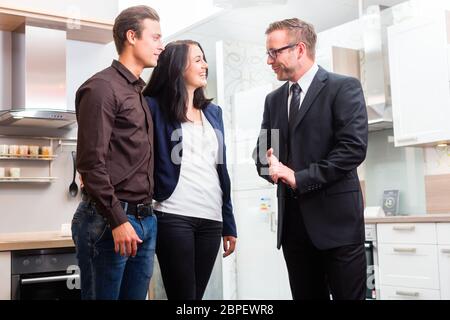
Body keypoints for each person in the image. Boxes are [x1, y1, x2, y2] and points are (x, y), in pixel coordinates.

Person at [253, 18, 368, 300]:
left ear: (300, 49)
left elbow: (352, 149)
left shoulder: (343, 88)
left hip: (338, 226)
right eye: (268, 53)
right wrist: (270, 167)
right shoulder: (274, 100)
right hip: (294, 230)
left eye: (274, 52)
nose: (269, 61)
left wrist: (298, 177)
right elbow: (262, 155)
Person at [71, 5, 164, 300]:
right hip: (110, 220)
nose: (161, 46)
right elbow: (90, 163)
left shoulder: (137, 92)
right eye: (156, 37)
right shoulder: (101, 88)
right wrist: (118, 220)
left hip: (144, 218)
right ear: (132, 36)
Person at [142, 40, 237, 300]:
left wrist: (228, 222)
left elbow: (220, 169)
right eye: (197, 59)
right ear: (176, 66)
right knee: (183, 297)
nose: (205, 65)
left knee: (196, 296)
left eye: (204, 59)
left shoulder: (213, 112)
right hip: (174, 214)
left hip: (211, 216)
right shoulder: (152, 107)